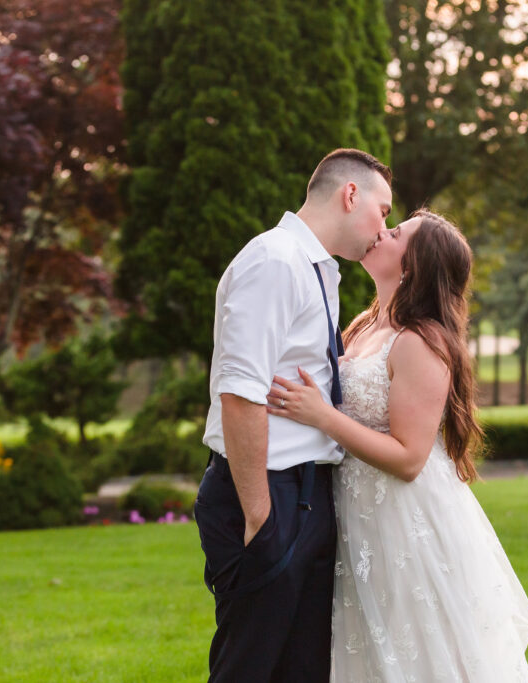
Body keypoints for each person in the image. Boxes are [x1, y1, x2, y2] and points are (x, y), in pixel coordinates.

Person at [267, 210, 528, 682]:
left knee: (418, 653)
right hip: (357, 513)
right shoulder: (365, 326)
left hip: (405, 519)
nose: (380, 233)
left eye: (395, 234)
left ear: (412, 266)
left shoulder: (421, 341)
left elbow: (411, 458)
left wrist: (322, 416)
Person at [194, 148, 393, 683]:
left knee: (303, 669)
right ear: (350, 194)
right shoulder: (275, 260)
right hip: (266, 496)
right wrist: (260, 518)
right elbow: (240, 392)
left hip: (307, 495)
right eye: (384, 210)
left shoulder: (317, 269)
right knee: (250, 667)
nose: (384, 227)